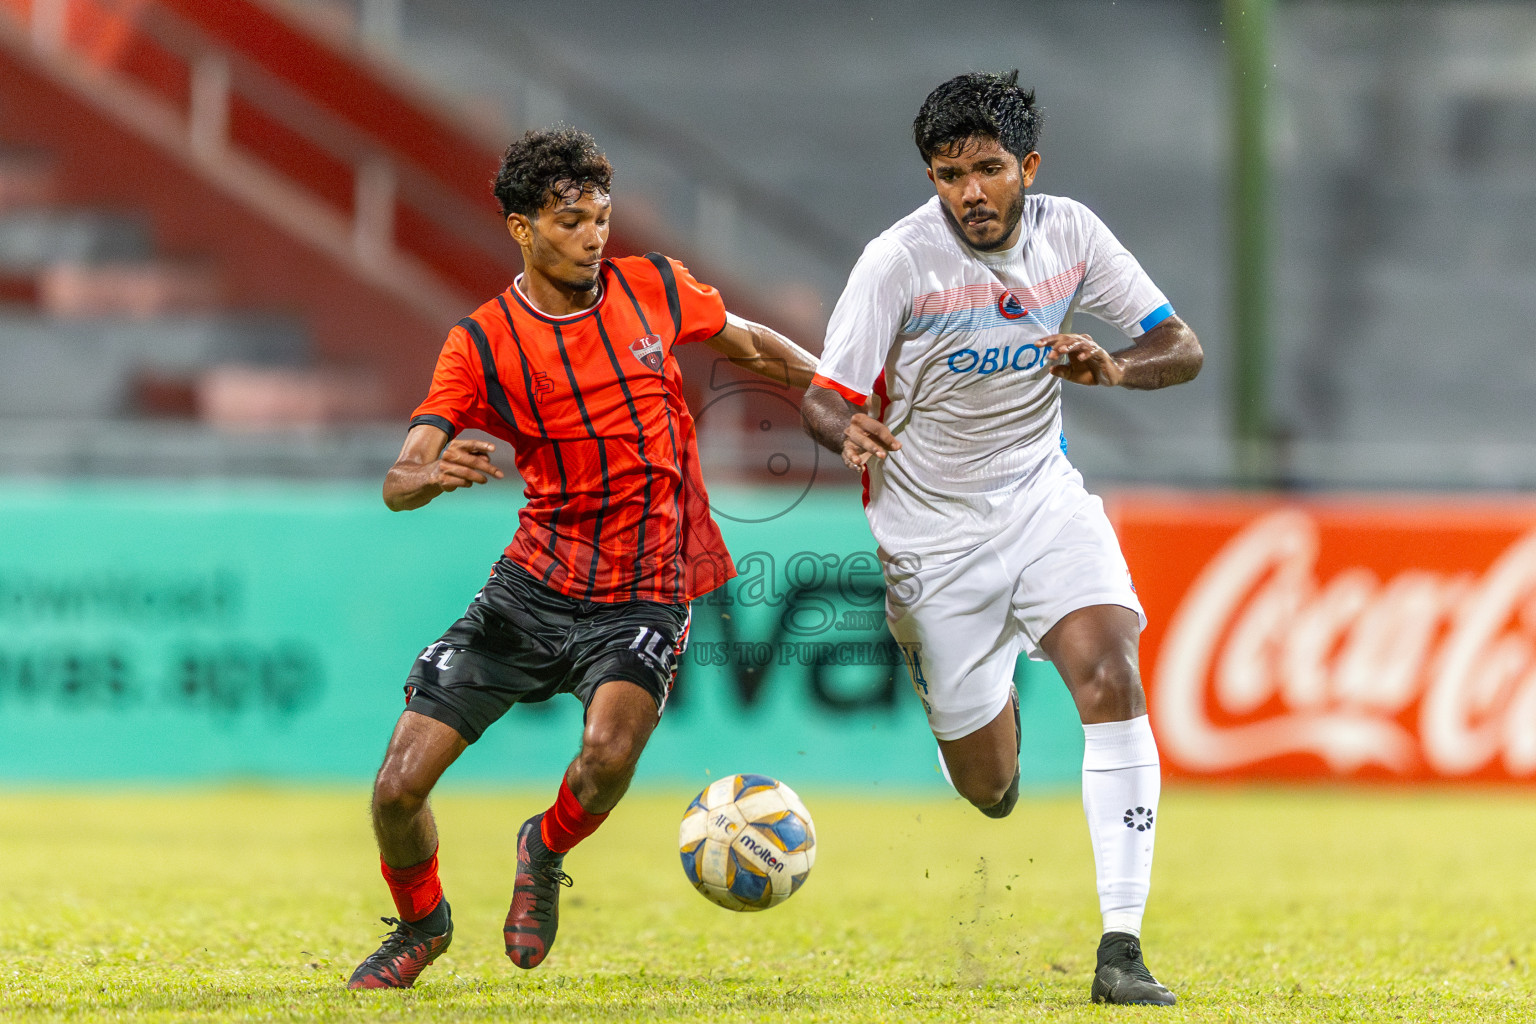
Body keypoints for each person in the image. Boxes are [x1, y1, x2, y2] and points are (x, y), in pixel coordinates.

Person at [348, 126, 818, 990]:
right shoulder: (481, 342)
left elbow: (752, 345)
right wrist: (428, 474)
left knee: (606, 758)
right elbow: (398, 477)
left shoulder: (654, 288)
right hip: (529, 589)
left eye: (600, 217)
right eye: (570, 221)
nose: (593, 236)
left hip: (646, 589)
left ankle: (545, 844)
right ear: (522, 228)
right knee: (394, 791)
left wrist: (832, 386)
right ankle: (421, 924)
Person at [800, 71, 1202, 1006]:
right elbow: (826, 395)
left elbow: (1179, 346)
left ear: (1027, 166)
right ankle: (961, 692)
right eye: (947, 175)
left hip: (1040, 496)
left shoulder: (1073, 233)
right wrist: (843, 429)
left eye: (986, 169)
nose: (968, 192)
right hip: (929, 536)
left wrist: (1115, 368)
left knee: (1111, 671)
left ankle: (1122, 947)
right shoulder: (895, 261)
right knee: (990, 790)